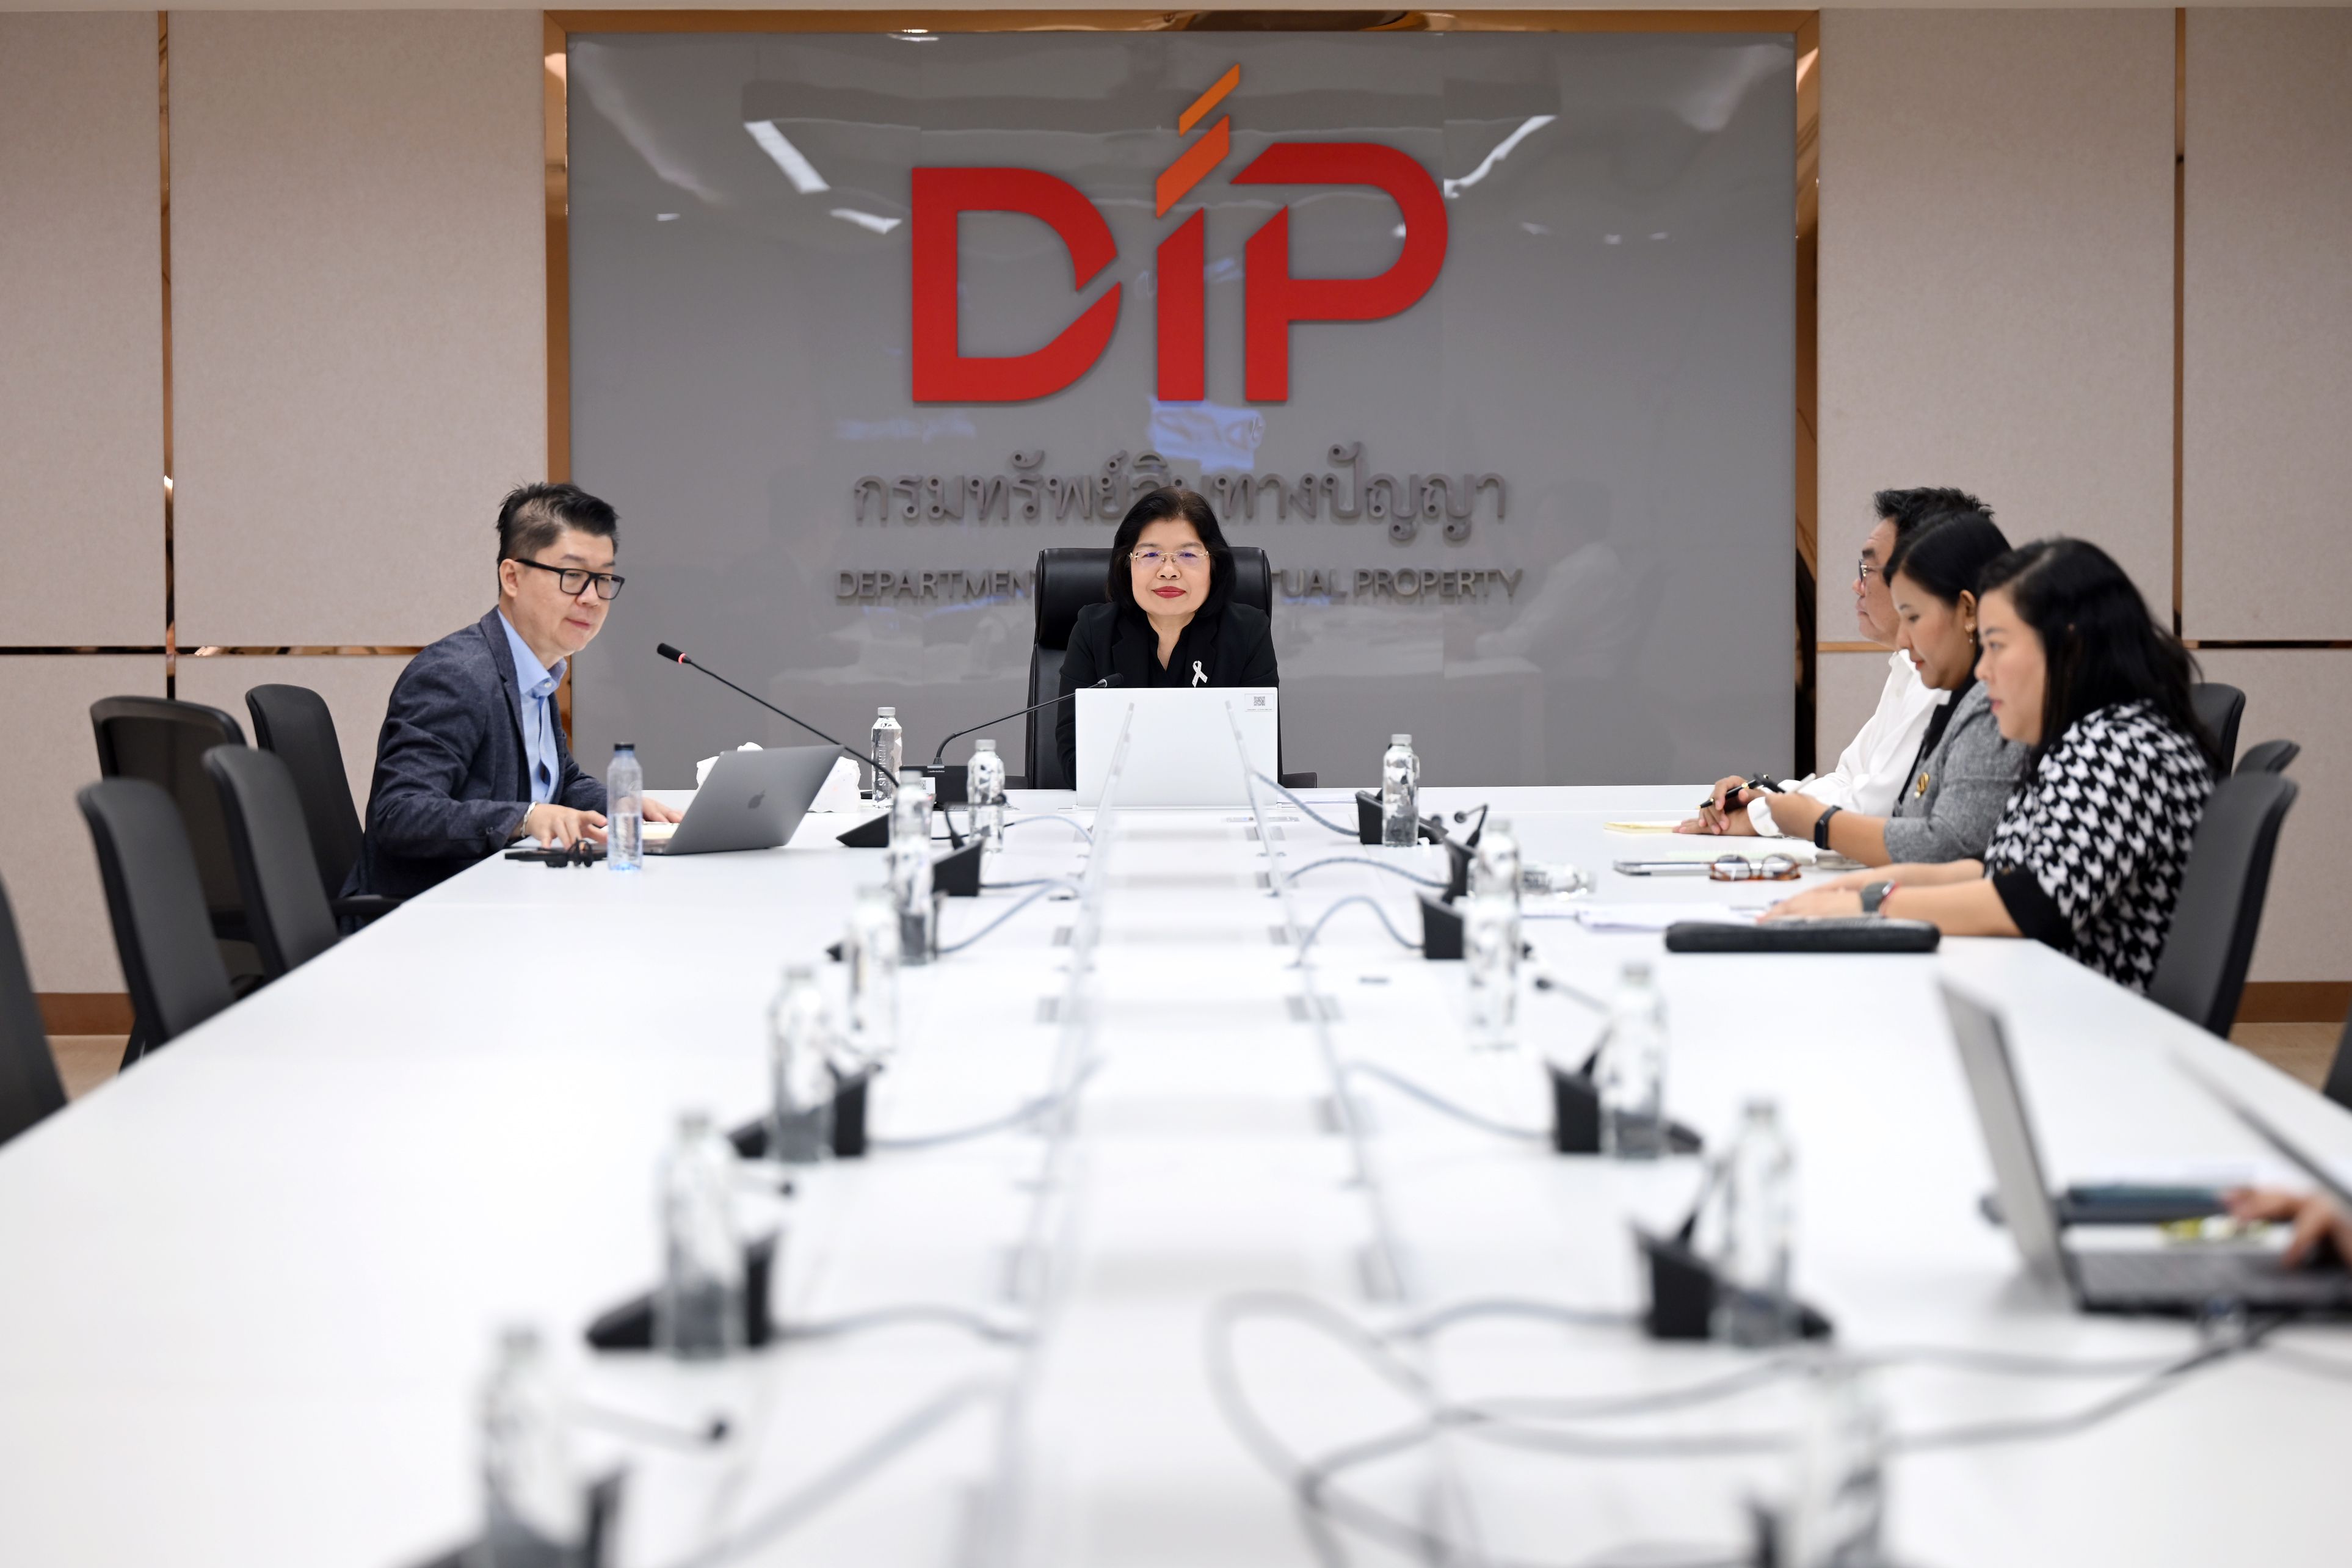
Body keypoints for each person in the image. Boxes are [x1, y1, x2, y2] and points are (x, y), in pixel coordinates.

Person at [1765, 537, 2221, 993]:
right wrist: (1876, 887)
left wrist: (1869, 907)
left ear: (2068, 645)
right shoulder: (2084, 738)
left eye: (1998, 646)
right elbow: (1998, 870)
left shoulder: (2120, 749)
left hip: (2091, 1013)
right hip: (2047, 991)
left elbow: (2029, 902)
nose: (1984, 671)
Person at [350, 483, 678, 899]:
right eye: (573, 576)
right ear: (512, 578)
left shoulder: (535, 670)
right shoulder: (456, 675)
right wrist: (525, 818)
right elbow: (401, 813)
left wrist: (622, 804)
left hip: (510, 899)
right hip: (436, 911)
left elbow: (559, 782)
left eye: (604, 579)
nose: (593, 599)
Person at [1683, 488, 1995, 837]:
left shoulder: (1949, 680)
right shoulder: (1912, 666)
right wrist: (1766, 799)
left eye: (1868, 569)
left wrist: (1762, 816)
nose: (1856, 585)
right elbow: (1850, 779)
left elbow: (1878, 808)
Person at [1719, 515, 2025, 866]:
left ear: (1968, 610)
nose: (1903, 640)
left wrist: (1812, 823)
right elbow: (1873, 794)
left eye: (1913, 617)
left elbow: (1947, 845)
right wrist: (1768, 802)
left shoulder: (1985, 703)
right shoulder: (1955, 694)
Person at [1056, 487, 1277, 783]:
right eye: (1150, 554)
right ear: (1127, 563)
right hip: (1119, 810)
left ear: (1214, 563)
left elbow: (1261, 762)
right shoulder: (1094, 631)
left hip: (1218, 810)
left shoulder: (1248, 632)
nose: (1169, 571)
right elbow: (1076, 762)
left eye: (1188, 555)